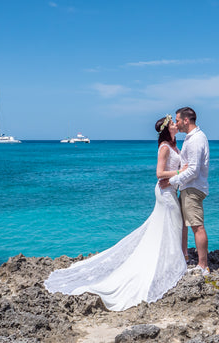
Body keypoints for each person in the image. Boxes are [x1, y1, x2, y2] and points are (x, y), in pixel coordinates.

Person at [44, 114, 188, 311]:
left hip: (170, 189)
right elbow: (159, 173)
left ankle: (172, 259)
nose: (176, 124)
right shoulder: (164, 147)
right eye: (172, 123)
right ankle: (171, 262)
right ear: (167, 129)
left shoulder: (173, 145)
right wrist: (180, 173)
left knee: (171, 226)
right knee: (172, 225)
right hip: (164, 192)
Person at [159, 107, 210, 276]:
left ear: (186, 120)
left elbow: (193, 170)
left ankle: (203, 266)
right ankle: (184, 257)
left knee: (197, 226)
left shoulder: (196, 140)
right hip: (188, 187)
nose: (177, 124)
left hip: (193, 188)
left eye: (178, 120)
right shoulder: (191, 138)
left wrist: (172, 181)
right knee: (184, 225)